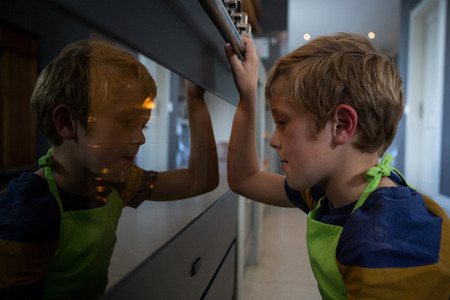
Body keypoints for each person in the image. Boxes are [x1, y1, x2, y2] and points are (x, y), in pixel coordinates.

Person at [225, 33, 450, 299]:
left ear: (341, 125)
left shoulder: (385, 244)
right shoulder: (327, 194)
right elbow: (245, 178)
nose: (274, 140)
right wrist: (246, 96)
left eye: (282, 123)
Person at [0, 40, 219, 299]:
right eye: (127, 122)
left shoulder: (115, 182)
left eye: (143, 125)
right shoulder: (29, 211)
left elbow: (200, 180)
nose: (141, 138)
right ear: (67, 122)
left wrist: (195, 98)